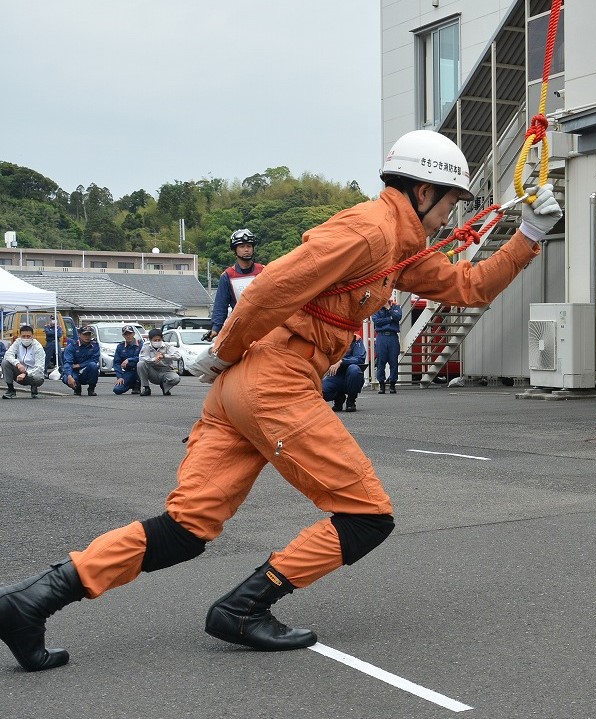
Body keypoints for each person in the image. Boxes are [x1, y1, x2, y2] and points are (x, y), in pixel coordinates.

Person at [0, 129, 562, 672]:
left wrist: (530, 234)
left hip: (248, 385)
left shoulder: (398, 243)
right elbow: (271, 288)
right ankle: (243, 608)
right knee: (367, 514)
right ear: (423, 192)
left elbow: (469, 287)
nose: (452, 216)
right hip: (274, 380)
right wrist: (224, 348)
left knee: (186, 528)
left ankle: (30, 602)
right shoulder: (368, 233)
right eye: (450, 203)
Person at [206, 229, 265, 340]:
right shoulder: (227, 276)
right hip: (242, 326)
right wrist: (215, 329)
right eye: (242, 247)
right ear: (235, 250)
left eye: (249, 246)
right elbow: (220, 305)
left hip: (265, 323)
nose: (246, 250)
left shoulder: (263, 270)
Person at [322, 332, 367, 412]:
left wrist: (341, 361)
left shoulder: (356, 339)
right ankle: (339, 397)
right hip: (336, 375)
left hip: (351, 375)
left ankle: (351, 400)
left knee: (354, 369)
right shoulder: (331, 338)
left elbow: (360, 358)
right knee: (321, 392)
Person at [3, 324, 45, 399]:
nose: (26, 338)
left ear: (33, 336)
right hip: (19, 373)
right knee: (5, 362)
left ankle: (34, 388)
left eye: (28, 336)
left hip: (32, 375)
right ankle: (10, 390)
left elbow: (40, 367)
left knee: (38, 377)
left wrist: (26, 373)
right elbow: (8, 354)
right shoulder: (17, 342)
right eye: (23, 336)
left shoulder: (38, 348)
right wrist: (17, 364)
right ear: (20, 336)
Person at [136, 328, 181, 396]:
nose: (157, 342)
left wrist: (164, 356)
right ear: (150, 340)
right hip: (152, 371)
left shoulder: (167, 346)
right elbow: (142, 358)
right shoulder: (146, 346)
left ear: (162, 338)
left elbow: (178, 356)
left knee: (176, 378)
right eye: (155, 340)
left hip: (166, 371)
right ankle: (146, 387)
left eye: (159, 340)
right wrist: (153, 359)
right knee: (140, 364)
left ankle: (165, 387)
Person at [372, 298, 403, 394]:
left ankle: (392, 384)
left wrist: (389, 308)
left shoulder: (395, 307)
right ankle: (382, 384)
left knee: (393, 361)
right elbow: (377, 322)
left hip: (393, 336)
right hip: (381, 337)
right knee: (381, 361)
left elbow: (398, 317)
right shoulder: (376, 308)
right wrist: (390, 319)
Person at [62, 326, 100, 396]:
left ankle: (91, 389)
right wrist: (69, 376)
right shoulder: (72, 346)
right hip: (74, 371)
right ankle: (77, 388)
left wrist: (80, 365)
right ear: (79, 335)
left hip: (86, 370)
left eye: (89, 334)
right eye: (85, 334)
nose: (87, 337)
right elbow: (68, 362)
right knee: (66, 378)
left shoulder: (94, 345)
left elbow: (94, 359)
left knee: (93, 366)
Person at [112, 325, 143, 396]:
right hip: (129, 371)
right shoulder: (120, 346)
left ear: (133, 334)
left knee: (141, 365)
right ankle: (131, 384)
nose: (128, 336)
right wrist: (119, 377)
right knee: (117, 390)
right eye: (126, 334)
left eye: (130, 333)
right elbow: (116, 363)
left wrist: (129, 359)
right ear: (123, 335)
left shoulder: (141, 344)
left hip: (139, 371)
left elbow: (143, 357)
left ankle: (138, 385)